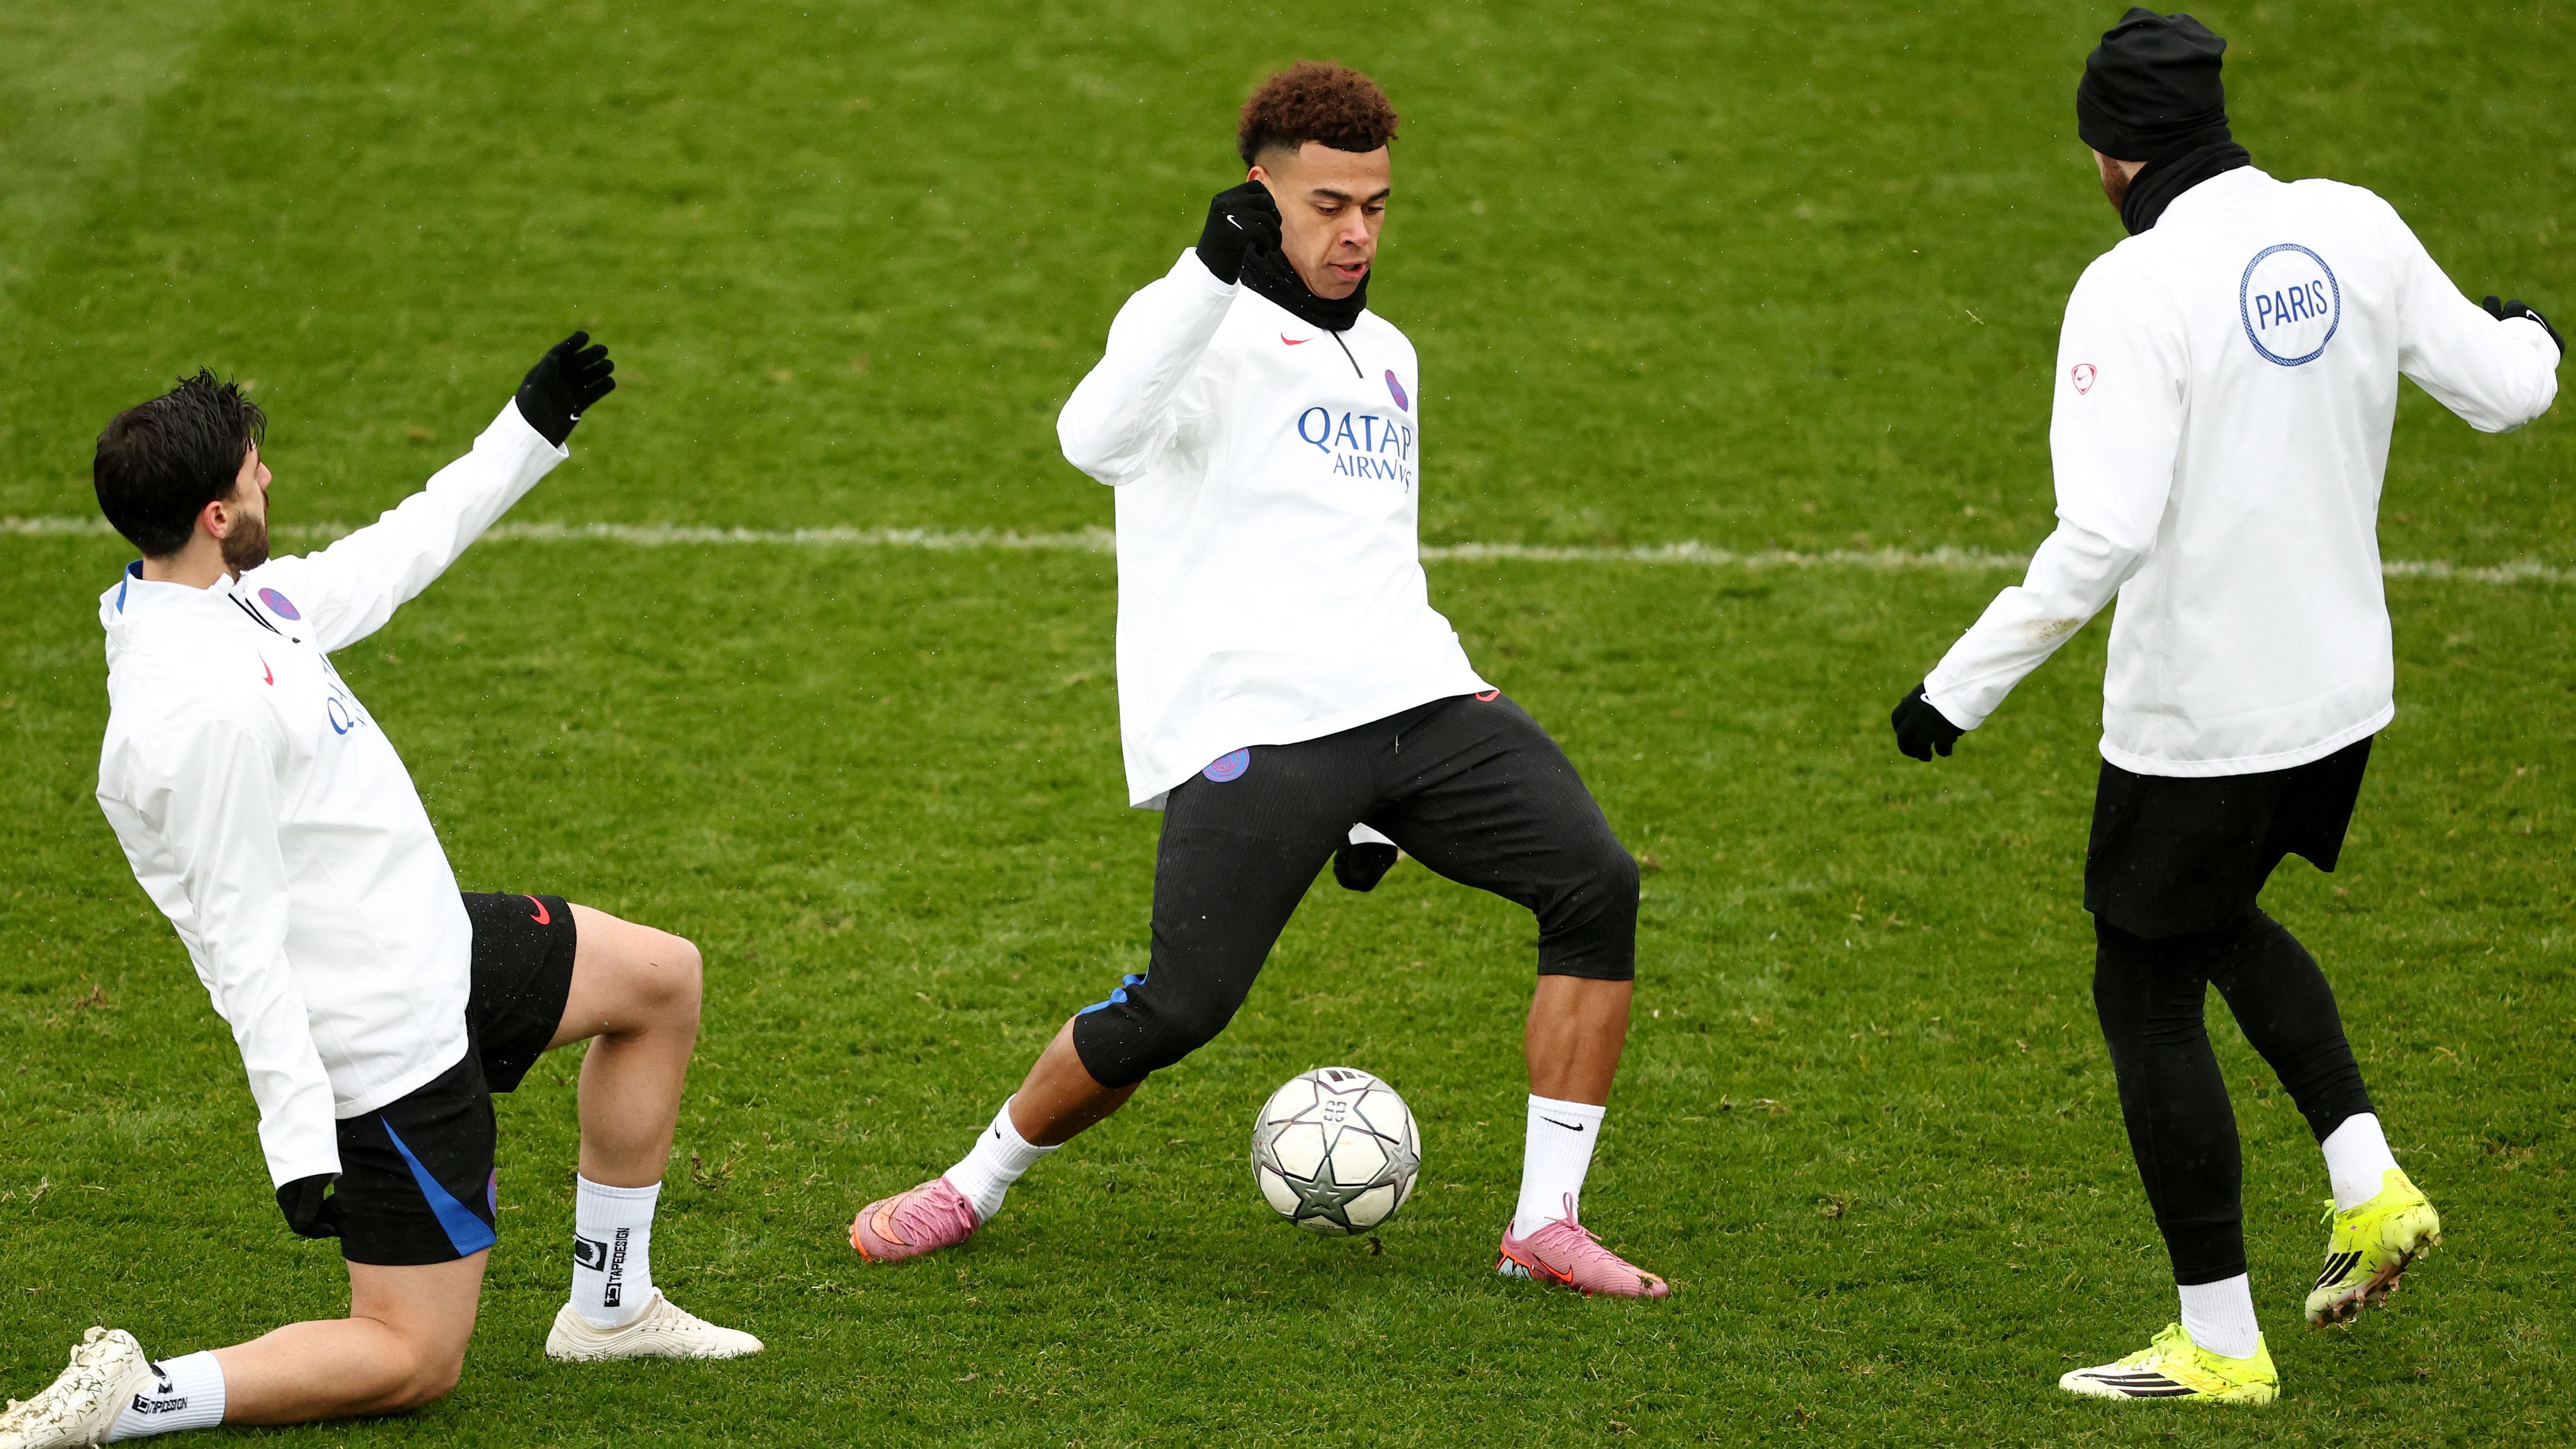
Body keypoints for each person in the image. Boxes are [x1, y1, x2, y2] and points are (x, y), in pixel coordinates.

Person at [844, 61, 1668, 1298]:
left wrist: (1388, 789)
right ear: (1260, 193)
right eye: (1329, 204)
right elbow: (1090, 440)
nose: (1356, 233)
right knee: (1179, 1007)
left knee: (1595, 883)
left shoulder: (1390, 353)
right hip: (1260, 727)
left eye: (1376, 207)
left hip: (1415, 700)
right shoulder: (1194, 326)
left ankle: (1543, 1225)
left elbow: (1366, 552)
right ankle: (975, 1179)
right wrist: (1200, 272)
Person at [1889, 8, 2560, 1406]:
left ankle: (2217, 1340)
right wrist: (2533, 334)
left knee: (2139, 985)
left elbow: (2099, 534)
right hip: (2338, 698)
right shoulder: (2352, 225)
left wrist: (1953, 687)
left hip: (2200, 715)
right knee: (2209, 917)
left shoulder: (2130, 289)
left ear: (2104, 151)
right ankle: (2364, 1180)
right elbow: (2504, 395)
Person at [1, 339, 760, 1449]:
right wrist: (301, 1148)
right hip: (383, 1042)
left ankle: (609, 1311)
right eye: (256, 472)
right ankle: (136, 1397)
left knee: (659, 980)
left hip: (435, 944)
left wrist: (529, 427)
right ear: (215, 512)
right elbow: (241, 940)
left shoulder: (243, 604)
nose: (270, 482)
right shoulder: (192, 715)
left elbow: (398, 550)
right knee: (411, 1359)